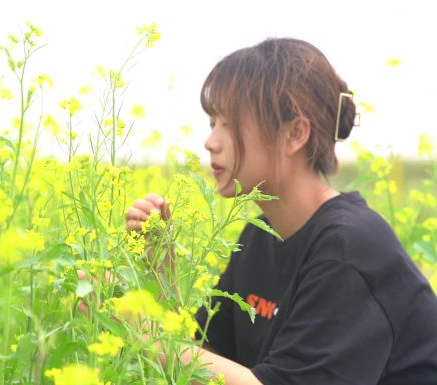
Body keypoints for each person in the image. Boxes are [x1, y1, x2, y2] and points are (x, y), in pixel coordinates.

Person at [125, 38, 437, 384]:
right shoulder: (257, 238)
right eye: (212, 123)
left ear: (295, 134)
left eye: (229, 124)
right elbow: (206, 360)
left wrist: (149, 333)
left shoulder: (349, 250)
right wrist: (159, 270)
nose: (211, 142)